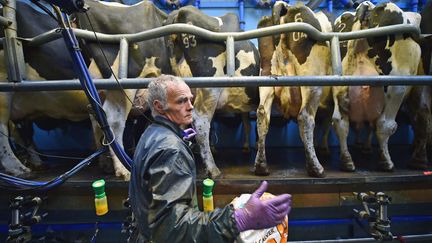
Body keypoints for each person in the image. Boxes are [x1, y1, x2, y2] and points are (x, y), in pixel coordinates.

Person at [128, 75, 292, 243]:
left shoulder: (151, 134)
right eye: (181, 101)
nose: (190, 106)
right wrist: (238, 219)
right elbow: (172, 229)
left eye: (190, 100)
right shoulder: (171, 150)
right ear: (159, 106)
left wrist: (178, 136)